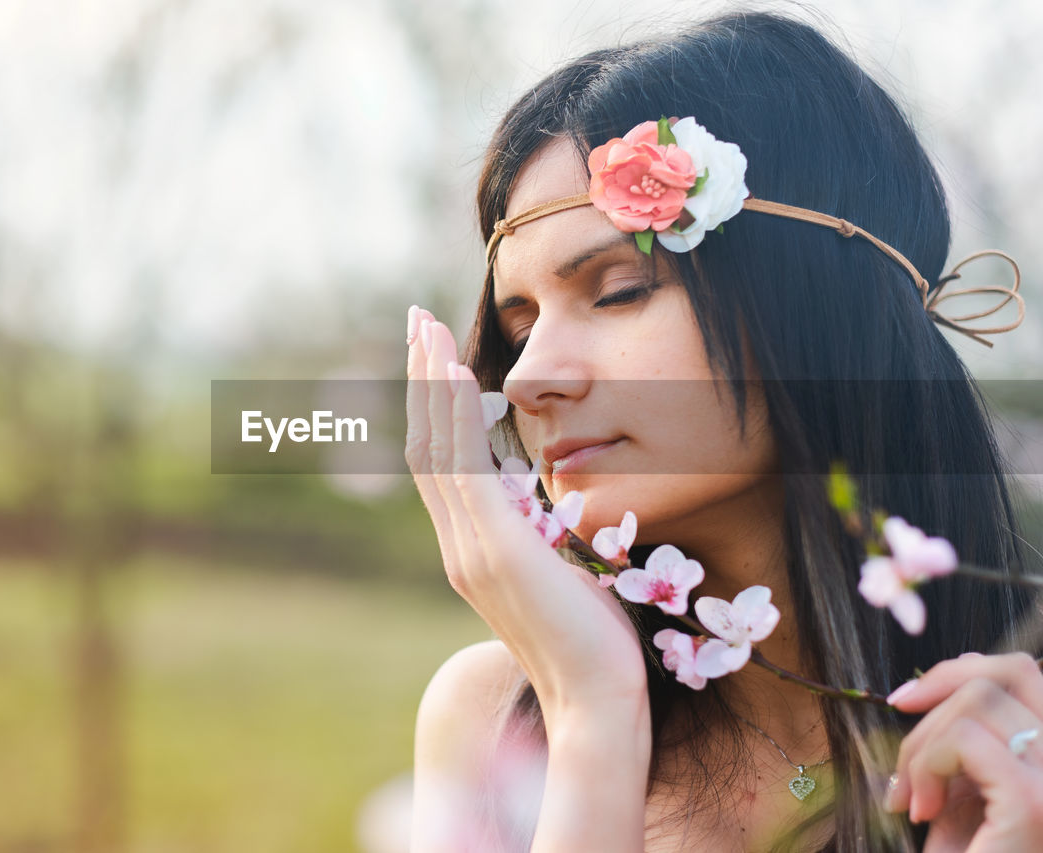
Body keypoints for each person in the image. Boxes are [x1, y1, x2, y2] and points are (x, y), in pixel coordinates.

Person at [403, 10, 1041, 853]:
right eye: (519, 328)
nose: (526, 378)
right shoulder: (498, 721)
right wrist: (592, 711)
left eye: (619, 289)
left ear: (819, 307)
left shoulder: (1018, 742)